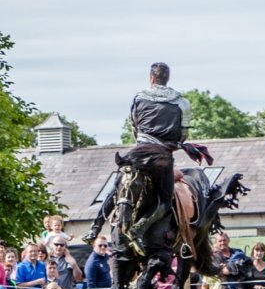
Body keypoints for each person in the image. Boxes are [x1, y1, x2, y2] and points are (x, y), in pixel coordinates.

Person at [82, 62, 192, 251]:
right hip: (162, 156)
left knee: (118, 188)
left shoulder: (139, 98)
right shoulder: (182, 102)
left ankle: (95, 227)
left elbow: (135, 126)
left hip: (138, 152)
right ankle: (139, 228)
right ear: (167, 79)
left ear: (151, 78)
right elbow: (183, 134)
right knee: (165, 200)